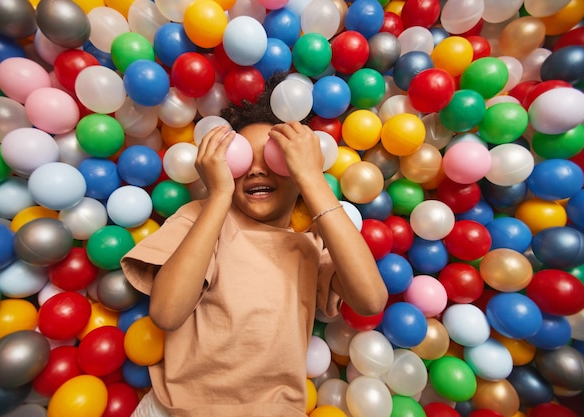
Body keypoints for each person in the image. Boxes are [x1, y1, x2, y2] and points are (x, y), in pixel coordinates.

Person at [120, 73, 388, 417]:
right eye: (243, 159)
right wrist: (218, 196)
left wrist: (311, 178)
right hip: (176, 408)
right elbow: (167, 313)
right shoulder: (202, 219)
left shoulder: (313, 244)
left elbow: (371, 300)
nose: (257, 171)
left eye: (275, 158)